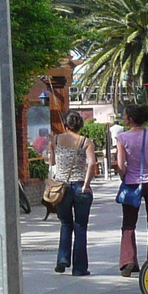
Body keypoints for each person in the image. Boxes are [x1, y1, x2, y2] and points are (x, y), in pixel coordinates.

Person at [115, 103, 148, 276]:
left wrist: (123, 174)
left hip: (131, 183)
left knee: (128, 224)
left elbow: (121, 166)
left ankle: (128, 261)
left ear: (130, 119)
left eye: (124, 115)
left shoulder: (122, 138)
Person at [48, 111, 96, 276]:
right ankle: (80, 268)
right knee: (81, 226)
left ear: (66, 125)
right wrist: (87, 184)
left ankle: (63, 259)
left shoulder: (55, 140)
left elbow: (52, 162)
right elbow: (92, 164)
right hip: (80, 186)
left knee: (65, 223)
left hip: (61, 188)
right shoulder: (86, 142)